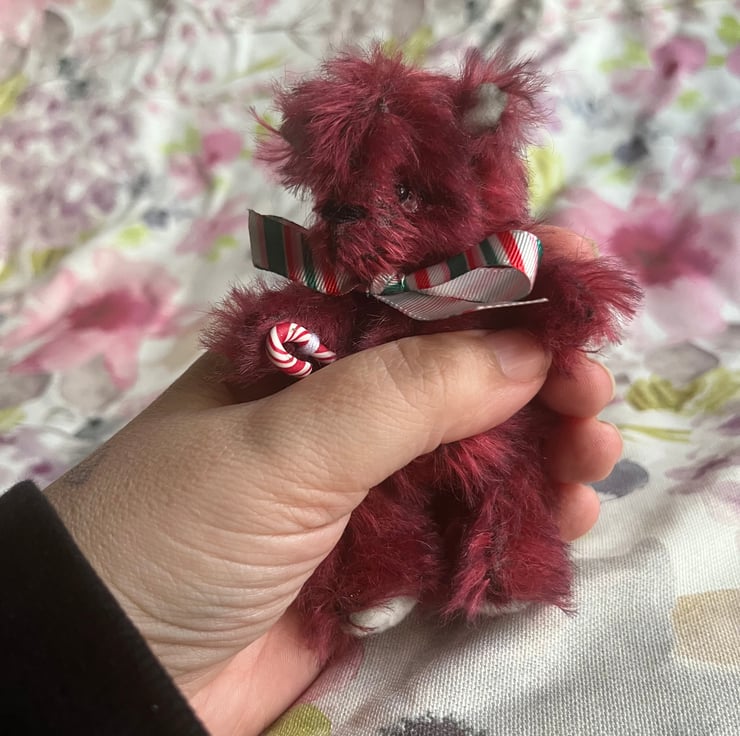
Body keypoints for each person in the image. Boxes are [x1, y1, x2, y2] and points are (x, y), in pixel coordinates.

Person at [0, 227, 621, 736]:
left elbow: (567, 299)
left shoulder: (493, 282)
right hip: (365, 466)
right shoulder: (336, 294)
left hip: (487, 433)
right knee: (370, 504)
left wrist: (569, 300)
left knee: (507, 478)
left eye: (407, 198)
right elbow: (266, 331)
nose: (370, 218)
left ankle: (505, 566)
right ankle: (368, 583)